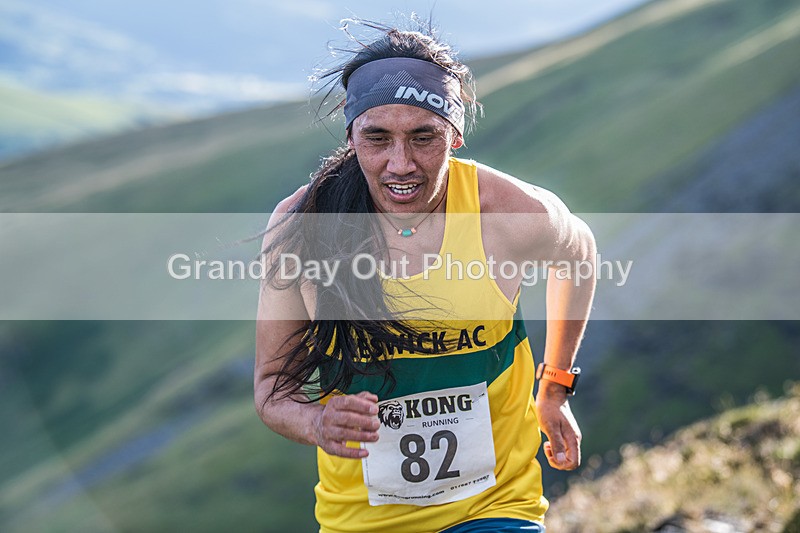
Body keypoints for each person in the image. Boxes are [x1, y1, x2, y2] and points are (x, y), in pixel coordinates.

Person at [254, 20, 596, 533]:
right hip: (361, 520)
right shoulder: (305, 225)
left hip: (494, 506)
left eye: (423, 137)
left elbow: (580, 254)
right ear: (350, 136)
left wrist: (554, 387)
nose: (401, 164)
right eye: (377, 138)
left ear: (454, 135)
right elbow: (270, 390)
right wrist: (317, 422)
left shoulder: (506, 214)